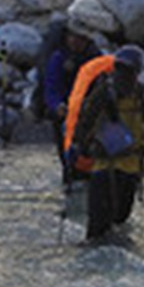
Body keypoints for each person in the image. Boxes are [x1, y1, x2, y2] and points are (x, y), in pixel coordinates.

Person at [70, 45, 144, 242]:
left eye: (127, 70)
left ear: (136, 73)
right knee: (97, 231)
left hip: (130, 169)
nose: (122, 75)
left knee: (120, 222)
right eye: (119, 69)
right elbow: (84, 125)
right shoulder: (102, 94)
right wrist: (77, 149)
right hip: (103, 168)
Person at [39, 11, 104, 181]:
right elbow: (51, 87)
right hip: (64, 115)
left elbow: (103, 85)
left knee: (89, 161)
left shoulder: (94, 58)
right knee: (69, 162)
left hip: (88, 116)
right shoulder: (58, 58)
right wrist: (57, 106)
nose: (76, 41)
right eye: (73, 36)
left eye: (81, 38)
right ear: (67, 36)